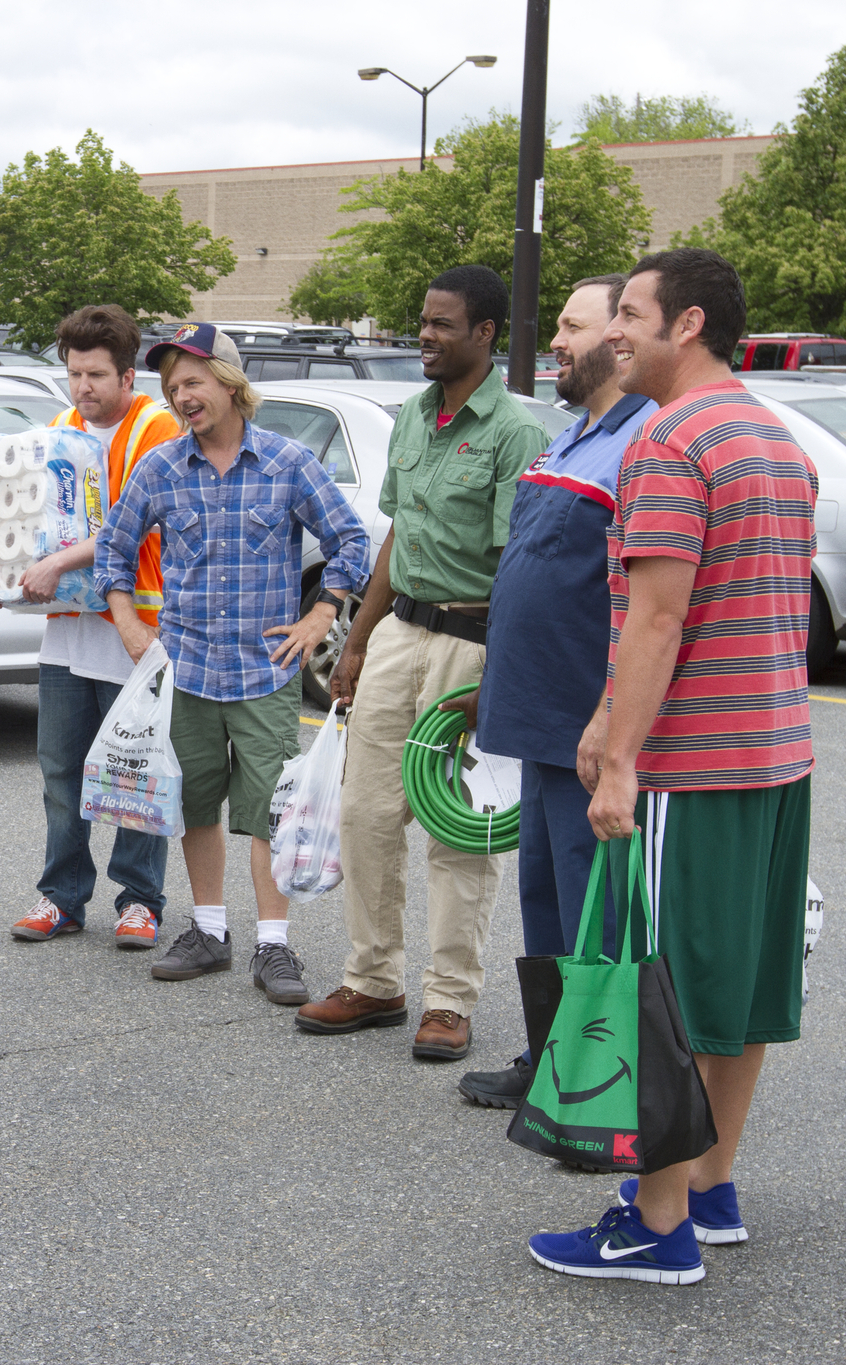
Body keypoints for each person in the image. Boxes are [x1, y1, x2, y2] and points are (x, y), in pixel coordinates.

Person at [529, 248, 816, 1284]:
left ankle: (653, 1227)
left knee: (664, 990)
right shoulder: (772, 437)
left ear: (683, 325)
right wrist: (606, 716)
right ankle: (708, 1187)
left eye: (631, 314)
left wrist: (617, 764)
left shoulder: (668, 443)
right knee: (735, 989)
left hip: (690, 767)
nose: (612, 332)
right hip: (774, 757)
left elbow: (656, 617)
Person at [302, 265, 547, 1060]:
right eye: (422, 320)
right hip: (401, 631)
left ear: (485, 334)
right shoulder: (410, 415)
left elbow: (520, 568)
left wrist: (501, 675)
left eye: (442, 324)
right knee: (367, 814)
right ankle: (373, 980)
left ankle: (449, 1001)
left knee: (458, 833)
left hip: (474, 644)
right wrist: (359, 642)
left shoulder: (515, 434)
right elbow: (397, 537)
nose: (425, 335)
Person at [94, 324, 368, 1004]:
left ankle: (274, 946)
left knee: (269, 811)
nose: (182, 397)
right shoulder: (161, 468)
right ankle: (210, 932)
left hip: (265, 674)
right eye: (172, 387)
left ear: (230, 382)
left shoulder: (287, 463)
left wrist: (320, 616)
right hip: (184, 671)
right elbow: (113, 551)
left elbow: (351, 540)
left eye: (193, 382)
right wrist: (129, 623)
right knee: (193, 808)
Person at [452, 276, 659, 1108]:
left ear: (619, 337)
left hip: (585, 725)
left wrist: (611, 711)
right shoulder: (571, 437)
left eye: (570, 328)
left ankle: (598, 1089)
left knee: (593, 911)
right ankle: (549, 1060)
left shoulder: (644, 440)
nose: (554, 344)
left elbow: (648, 602)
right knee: (543, 897)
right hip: (534, 715)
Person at [0, 305, 179, 949]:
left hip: (137, 627)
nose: (81, 389)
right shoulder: (61, 427)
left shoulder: (157, 429)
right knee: (61, 767)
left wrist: (60, 559)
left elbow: (133, 520)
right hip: (68, 630)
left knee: (134, 769)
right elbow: (23, 516)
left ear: (128, 378)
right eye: (72, 374)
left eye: (94, 375)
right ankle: (62, 895)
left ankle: (140, 900)